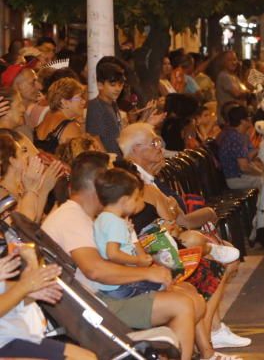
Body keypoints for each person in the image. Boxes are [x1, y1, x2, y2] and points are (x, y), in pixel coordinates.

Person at [41, 152, 207, 360]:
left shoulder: (85, 214)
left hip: (102, 297)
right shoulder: (70, 217)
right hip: (96, 305)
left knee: (191, 296)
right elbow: (95, 270)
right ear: (98, 184)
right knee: (182, 304)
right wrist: (146, 274)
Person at [118, 124, 249, 351]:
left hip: (161, 240)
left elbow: (174, 211)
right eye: (154, 143)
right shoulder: (135, 182)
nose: (160, 148)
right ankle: (208, 341)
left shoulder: (151, 178)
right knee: (213, 265)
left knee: (214, 255)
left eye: (159, 142)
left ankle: (213, 333)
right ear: (136, 149)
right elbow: (174, 217)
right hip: (154, 248)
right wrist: (206, 215)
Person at [0, 242, 95, 360]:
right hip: (8, 341)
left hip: (15, 338)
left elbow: (18, 290)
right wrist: (24, 285)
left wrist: (25, 287)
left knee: (86, 357)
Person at [93, 168, 162, 299]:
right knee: (164, 284)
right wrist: (137, 260)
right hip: (122, 285)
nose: (137, 203)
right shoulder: (115, 222)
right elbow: (112, 253)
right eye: (135, 198)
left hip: (110, 285)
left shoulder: (101, 218)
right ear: (124, 200)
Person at [0, 128, 61, 224]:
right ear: (12, 160)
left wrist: (44, 189)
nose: (27, 156)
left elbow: (35, 223)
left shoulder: (19, 189)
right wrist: (31, 190)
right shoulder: (3, 196)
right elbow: (25, 226)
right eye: (22, 152)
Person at [86, 57, 128, 156]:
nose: (118, 89)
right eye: (113, 85)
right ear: (100, 85)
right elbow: (94, 138)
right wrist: (108, 162)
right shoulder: (96, 105)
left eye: (120, 85)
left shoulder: (113, 104)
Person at [34, 77, 87, 153]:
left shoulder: (44, 122)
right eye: (79, 98)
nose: (84, 102)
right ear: (64, 102)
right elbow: (81, 160)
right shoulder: (69, 127)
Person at [217, 105, 263, 191]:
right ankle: (263, 205)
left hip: (239, 176)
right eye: (249, 117)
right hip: (235, 178)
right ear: (243, 121)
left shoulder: (240, 135)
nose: (251, 120)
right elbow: (244, 167)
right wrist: (262, 173)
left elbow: (247, 156)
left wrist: (262, 148)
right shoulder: (235, 138)